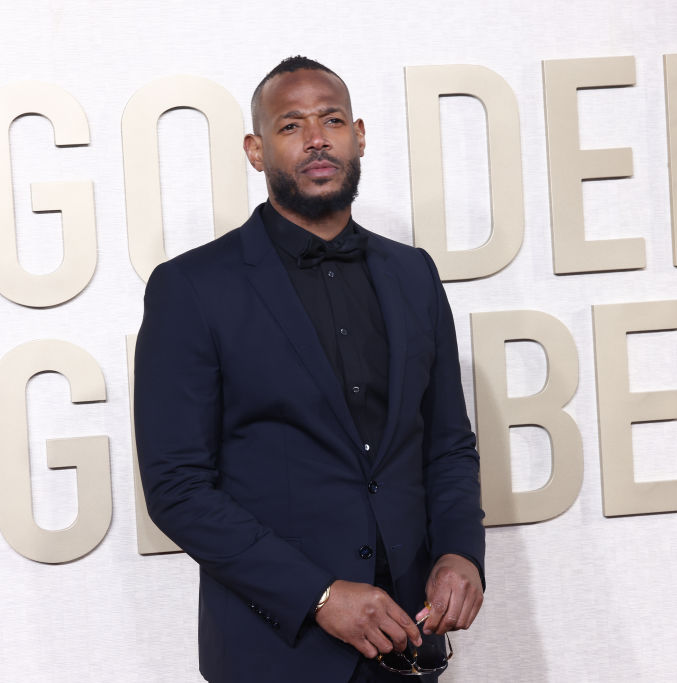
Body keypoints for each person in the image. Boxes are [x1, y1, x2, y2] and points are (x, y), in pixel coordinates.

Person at [134, 56, 485, 683]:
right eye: (291, 125)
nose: (317, 138)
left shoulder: (414, 274)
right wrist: (317, 595)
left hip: (410, 642)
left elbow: (448, 444)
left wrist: (461, 552)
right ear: (256, 150)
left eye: (332, 120)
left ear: (359, 136)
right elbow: (178, 488)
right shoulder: (191, 288)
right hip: (276, 653)